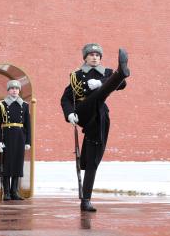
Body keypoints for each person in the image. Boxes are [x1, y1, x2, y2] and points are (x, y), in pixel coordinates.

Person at [61, 43, 130, 212]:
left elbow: (121, 85)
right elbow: (65, 99)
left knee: (93, 161)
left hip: (99, 118)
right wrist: (69, 114)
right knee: (98, 97)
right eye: (91, 54)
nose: (94, 57)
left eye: (97, 55)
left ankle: (86, 200)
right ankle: (123, 71)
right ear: (85, 57)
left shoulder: (106, 73)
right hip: (84, 112)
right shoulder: (76, 75)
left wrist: (101, 83)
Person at [0, 79, 31, 201]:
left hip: (20, 137)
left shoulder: (24, 105)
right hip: (7, 137)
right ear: (8, 90)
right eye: (12, 88)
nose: (14, 90)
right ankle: (7, 192)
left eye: (16, 88)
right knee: (6, 165)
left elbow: (28, 125)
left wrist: (28, 141)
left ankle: (15, 191)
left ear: (19, 90)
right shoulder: (2, 104)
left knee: (17, 164)